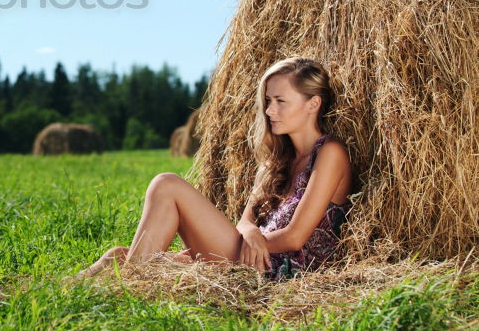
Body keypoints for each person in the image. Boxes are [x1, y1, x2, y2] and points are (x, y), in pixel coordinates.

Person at [74, 57, 353, 281]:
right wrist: (251, 233)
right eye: (268, 101)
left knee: (166, 184)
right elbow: (245, 220)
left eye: (281, 101)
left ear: (313, 104)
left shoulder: (330, 153)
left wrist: (253, 241)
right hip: (254, 253)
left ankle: (129, 288)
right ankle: (67, 288)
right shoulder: (277, 159)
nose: (269, 111)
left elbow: (295, 237)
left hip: (284, 269)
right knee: (118, 255)